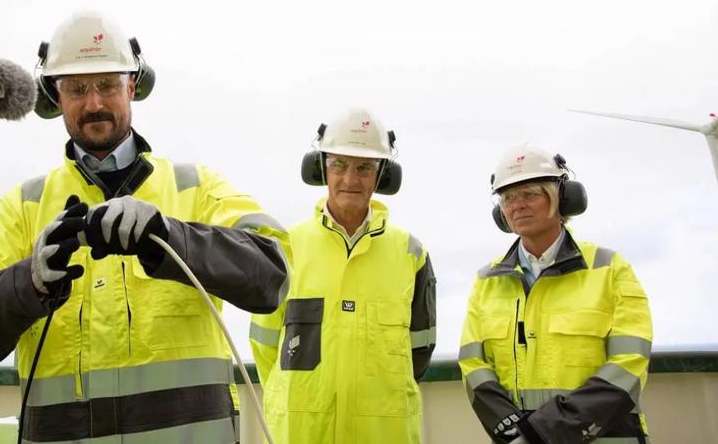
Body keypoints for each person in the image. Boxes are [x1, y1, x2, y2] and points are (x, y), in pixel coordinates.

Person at [0, 11, 291, 444]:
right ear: (55, 96)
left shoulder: (196, 188)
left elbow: (271, 276)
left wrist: (171, 236)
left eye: (107, 85)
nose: (93, 104)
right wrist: (27, 282)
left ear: (133, 86)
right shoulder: (22, 206)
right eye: (77, 89)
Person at [249, 109, 436, 443]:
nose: (350, 180)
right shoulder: (284, 247)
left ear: (383, 175)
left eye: (364, 167)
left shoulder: (411, 253)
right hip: (300, 434)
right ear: (322, 169)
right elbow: (264, 346)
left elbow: (420, 350)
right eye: (339, 165)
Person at [458, 143, 652, 443]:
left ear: (563, 198)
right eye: (508, 197)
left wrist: (542, 433)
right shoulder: (486, 280)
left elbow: (629, 364)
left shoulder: (610, 269)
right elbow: (473, 365)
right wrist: (514, 432)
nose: (517, 205)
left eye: (529, 194)